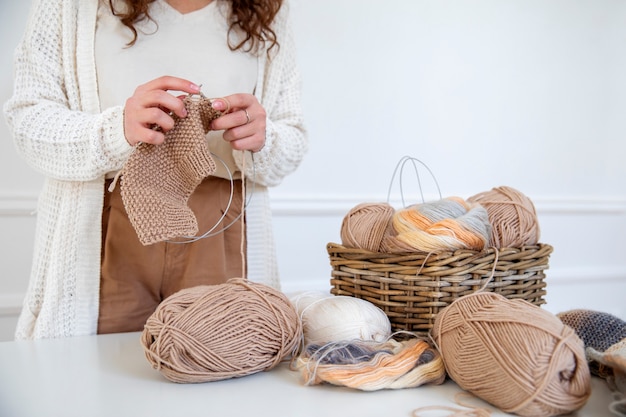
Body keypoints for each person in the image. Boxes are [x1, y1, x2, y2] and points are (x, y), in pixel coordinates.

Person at [3, 0, 307, 339]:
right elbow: (27, 121)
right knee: (100, 378)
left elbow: (293, 138)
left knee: (221, 368)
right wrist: (118, 129)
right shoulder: (69, 6)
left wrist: (264, 138)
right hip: (106, 223)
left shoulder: (268, 10)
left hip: (222, 224)